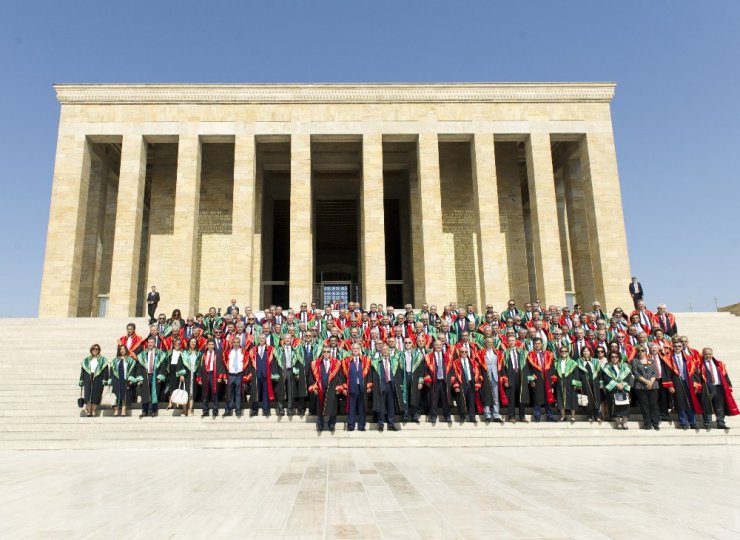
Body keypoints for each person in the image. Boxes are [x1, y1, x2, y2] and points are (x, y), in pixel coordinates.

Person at [660, 339, 701, 430]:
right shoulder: (668, 358)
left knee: (690, 402)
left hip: (688, 381)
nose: (677, 348)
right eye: (675, 346)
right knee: (680, 402)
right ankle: (683, 422)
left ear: (682, 347)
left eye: (679, 346)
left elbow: (695, 372)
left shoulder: (689, 358)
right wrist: (669, 385)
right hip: (676, 381)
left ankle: (692, 422)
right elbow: (666, 373)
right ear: (672, 347)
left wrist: (696, 384)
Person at [696, 347, 738, 430]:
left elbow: (725, 375)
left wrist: (729, 385)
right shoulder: (699, 365)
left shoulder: (718, 364)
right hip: (707, 388)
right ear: (703, 354)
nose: (708, 356)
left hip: (718, 388)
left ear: (712, 354)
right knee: (706, 406)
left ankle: (720, 423)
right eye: (706, 354)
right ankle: (708, 423)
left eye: (710, 354)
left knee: (720, 406)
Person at [308, 347, 344, 432]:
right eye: (324, 351)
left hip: (332, 387)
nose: (326, 353)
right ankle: (320, 423)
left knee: (332, 406)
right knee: (320, 406)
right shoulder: (315, 363)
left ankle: (331, 424)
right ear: (322, 353)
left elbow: (340, 376)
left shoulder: (336, 363)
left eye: (328, 351)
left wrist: (339, 387)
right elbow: (311, 378)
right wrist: (314, 387)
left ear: (330, 352)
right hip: (320, 387)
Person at [523, 337, 557, 422]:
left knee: (548, 397)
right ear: (533, 345)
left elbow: (552, 367)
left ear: (542, 344)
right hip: (536, 379)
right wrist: (531, 380)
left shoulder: (549, 354)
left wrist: (553, 378)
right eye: (535, 344)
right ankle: (537, 415)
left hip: (547, 378)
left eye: (539, 343)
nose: (537, 345)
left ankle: (549, 415)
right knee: (536, 397)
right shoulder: (529, 355)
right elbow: (528, 369)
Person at [134, 337, 167, 417]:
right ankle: (144, 411)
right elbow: (138, 366)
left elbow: (163, 366)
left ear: (155, 343)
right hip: (145, 376)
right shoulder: (142, 354)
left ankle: (153, 411)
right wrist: (139, 377)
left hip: (155, 376)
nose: (150, 344)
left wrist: (160, 376)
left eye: (152, 342)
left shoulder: (160, 354)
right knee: (144, 393)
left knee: (154, 394)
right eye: (149, 342)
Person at [372, 343, 401, 431]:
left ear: (389, 351)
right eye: (383, 350)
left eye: (386, 350)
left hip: (391, 385)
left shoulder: (394, 361)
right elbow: (374, 376)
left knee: (391, 406)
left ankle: (391, 424)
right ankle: (381, 424)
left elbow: (398, 374)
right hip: (381, 385)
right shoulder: (376, 362)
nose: (385, 351)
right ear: (381, 351)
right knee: (381, 406)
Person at [247, 333, 277, 417]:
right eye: (260, 338)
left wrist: (272, 374)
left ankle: (266, 410)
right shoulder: (253, 350)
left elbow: (273, 363)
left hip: (266, 374)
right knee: (255, 392)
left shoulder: (271, 349)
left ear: (266, 339)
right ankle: (254, 410)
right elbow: (250, 363)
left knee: (265, 393)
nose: (261, 339)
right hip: (256, 374)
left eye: (263, 338)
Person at [602, 351, 634, 430]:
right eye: (612, 357)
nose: (614, 358)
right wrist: (616, 384)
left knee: (625, 405)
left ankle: (624, 422)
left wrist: (622, 384)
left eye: (616, 357)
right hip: (612, 388)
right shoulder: (607, 367)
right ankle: (618, 422)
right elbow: (606, 377)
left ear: (619, 357)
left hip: (623, 388)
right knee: (613, 405)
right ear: (610, 358)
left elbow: (628, 376)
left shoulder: (625, 367)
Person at [631, 345, 660, 430]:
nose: (641, 352)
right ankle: (647, 423)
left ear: (646, 351)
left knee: (653, 404)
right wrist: (646, 381)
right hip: (641, 386)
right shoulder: (635, 361)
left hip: (653, 385)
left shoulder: (651, 360)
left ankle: (655, 423)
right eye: (639, 351)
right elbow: (636, 373)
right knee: (645, 405)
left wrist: (651, 381)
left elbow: (655, 372)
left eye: (642, 350)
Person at [424, 340, 453, 424]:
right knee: (433, 399)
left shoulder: (447, 356)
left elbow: (451, 369)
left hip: (444, 380)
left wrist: (452, 378)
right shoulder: (428, 356)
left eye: (440, 345)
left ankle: (447, 416)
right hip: (434, 380)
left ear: (442, 346)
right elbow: (425, 369)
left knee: (446, 400)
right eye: (436, 345)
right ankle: (433, 416)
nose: (438, 346)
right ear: (433, 346)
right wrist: (427, 378)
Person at [343, 343, 369, 432]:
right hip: (351, 387)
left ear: (360, 349)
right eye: (353, 348)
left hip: (362, 387)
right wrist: (344, 388)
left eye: (357, 348)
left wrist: (369, 386)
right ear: (351, 349)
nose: (355, 350)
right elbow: (343, 376)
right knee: (351, 407)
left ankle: (362, 426)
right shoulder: (346, 361)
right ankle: (351, 425)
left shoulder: (366, 360)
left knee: (362, 407)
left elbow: (369, 375)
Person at [500, 335, 527, 422]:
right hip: (510, 376)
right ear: (507, 342)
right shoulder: (504, 353)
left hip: (520, 376)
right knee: (510, 398)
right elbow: (502, 368)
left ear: (516, 341)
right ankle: (511, 416)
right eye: (510, 340)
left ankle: (522, 416)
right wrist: (505, 379)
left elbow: (526, 366)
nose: (511, 342)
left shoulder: (522, 352)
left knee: (521, 397)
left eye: (513, 340)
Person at [79, 344, 108, 418]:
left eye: (97, 349)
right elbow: (82, 371)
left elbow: (106, 371)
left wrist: (105, 379)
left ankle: (94, 411)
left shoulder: (103, 360)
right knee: (88, 394)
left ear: (99, 350)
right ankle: (89, 411)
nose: (95, 350)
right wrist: (81, 379)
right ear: (91, 350)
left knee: (96, 394)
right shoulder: (86, 360)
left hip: (98, 377)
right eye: (93, 349)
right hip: (88, 377)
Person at [400, 336, 425, 423]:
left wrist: (420, 381)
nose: (407, 344)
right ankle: (405, 416)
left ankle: (414, 416)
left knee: (414, 397)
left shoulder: (418, 355)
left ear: (412, 344)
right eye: (406, 343)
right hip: (404, 377)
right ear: (403, 344)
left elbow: (422, 370)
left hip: (414, 377)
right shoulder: (399, 355)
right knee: (405, 397)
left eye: (409, 343)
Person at [452, 347, 479, 423]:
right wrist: (456, 385)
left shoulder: (472, 362)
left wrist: (477, 383)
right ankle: (462, 417)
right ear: (459, 353)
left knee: (471, 401)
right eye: (462, 352)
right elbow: (453, 374)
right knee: (461, 401)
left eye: (466, 352)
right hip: (461, 383)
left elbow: (477, 373)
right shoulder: (455, 362)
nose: (464, 353)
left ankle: (472, 417)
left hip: (471, 383)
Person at [176, 337, 202, 416]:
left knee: (192, 394)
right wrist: (181, 374)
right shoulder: (184, 353)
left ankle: (190, 410)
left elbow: (200, 366)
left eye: (194, 342)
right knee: (185, 393)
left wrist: (199, 376)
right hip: (186, 375)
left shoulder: (199, 354)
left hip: (193, 376)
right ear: (189, 343)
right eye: (192, 342)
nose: (193, 343)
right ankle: (184, 410)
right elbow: (180, 364)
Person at [200, 338, 224, 417]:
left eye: (212, 345)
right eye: (209, 345)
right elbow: (200, 366)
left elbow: (220, 365)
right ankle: (205, 410)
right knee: (205, 393)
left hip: (214, 375)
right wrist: (199, 377)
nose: (211, 346)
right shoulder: (203, 354)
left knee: (215, 393)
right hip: (205, 375)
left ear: (214, 346)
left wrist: (220, 376)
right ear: (207, 346)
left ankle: (215, 410)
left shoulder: (217, 354)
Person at [224, 337, 247, 417]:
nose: (236, 344)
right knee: (229, 393)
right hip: (230, 374)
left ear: (240, 343)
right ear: (232, 343)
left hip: (239, 375)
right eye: (234, 342)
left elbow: (246, 363)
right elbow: (225, 363)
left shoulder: (243, 352)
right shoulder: (228, 352)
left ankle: (238, 410)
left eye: (237, 342)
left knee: (238, 393)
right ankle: (228, 410)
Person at [554, 346, 578, 423]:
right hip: (561, 379)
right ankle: (563, 416)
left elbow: (576, 374)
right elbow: (554, 373)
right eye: (562, 351)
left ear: (568, 352)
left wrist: (575, 384)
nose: (564, 353)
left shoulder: (573, 362)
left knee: (572, 397)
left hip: (570, 380)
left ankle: (573, 417)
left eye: (565, 351)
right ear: (560, 352)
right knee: (560, 397)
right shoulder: (557, 361)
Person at [110, 344, 135, 417]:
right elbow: (111, 370)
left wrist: (130, 379)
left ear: (126, 350)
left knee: (124, 394)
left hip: (125, 378)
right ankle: (116, 410)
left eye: (123, 349)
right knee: (116, 394)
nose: (122, 350)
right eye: (120, 349)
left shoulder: (130, 360)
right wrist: (110, 379)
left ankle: (123, 409)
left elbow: (132, 370)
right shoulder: (115, 360)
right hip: (116, 379)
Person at [165, 339, 184, 409]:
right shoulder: (169, 352)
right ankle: (170, 403)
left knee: (179, 387)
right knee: (171, 387)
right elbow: (166, 361)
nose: (177, 345)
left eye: (179, 343)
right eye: (176, 343)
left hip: (179, 369)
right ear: (173, 344)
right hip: (171, 370)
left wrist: (182, 373)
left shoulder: (182, 352)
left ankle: (178, 403)